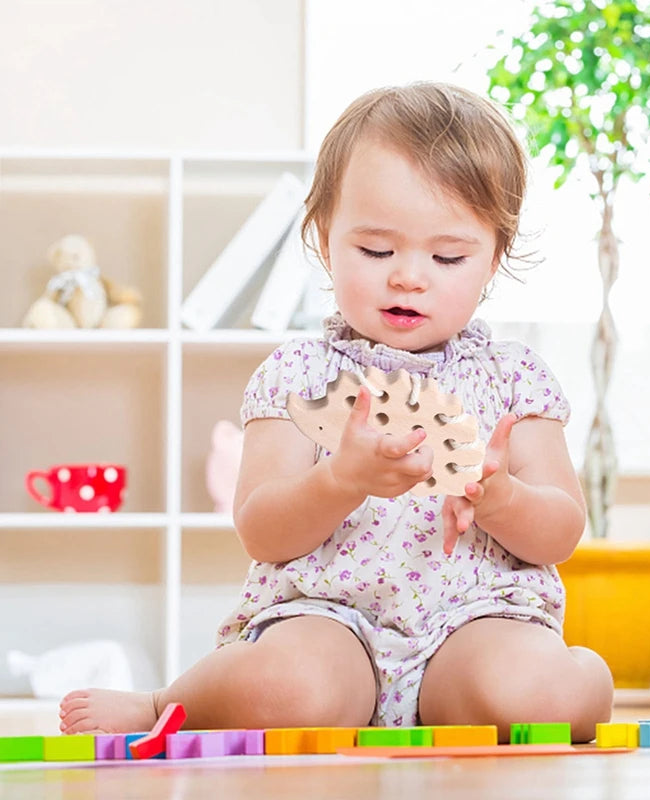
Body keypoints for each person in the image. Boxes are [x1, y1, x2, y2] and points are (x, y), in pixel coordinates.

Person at [59, 82, 613, 743]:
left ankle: (561, 677)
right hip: (327, 622)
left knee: (533, 696)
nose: (409, 276)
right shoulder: (301, 375)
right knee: (288, 691)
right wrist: (341, 481)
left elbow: (561, 531)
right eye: (376, 251)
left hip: (478, 621)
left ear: (493, 256)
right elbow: (262, 531)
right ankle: (163, 705)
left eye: (448, 256)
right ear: (325, 240)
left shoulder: (513, 376)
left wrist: (498, 496)